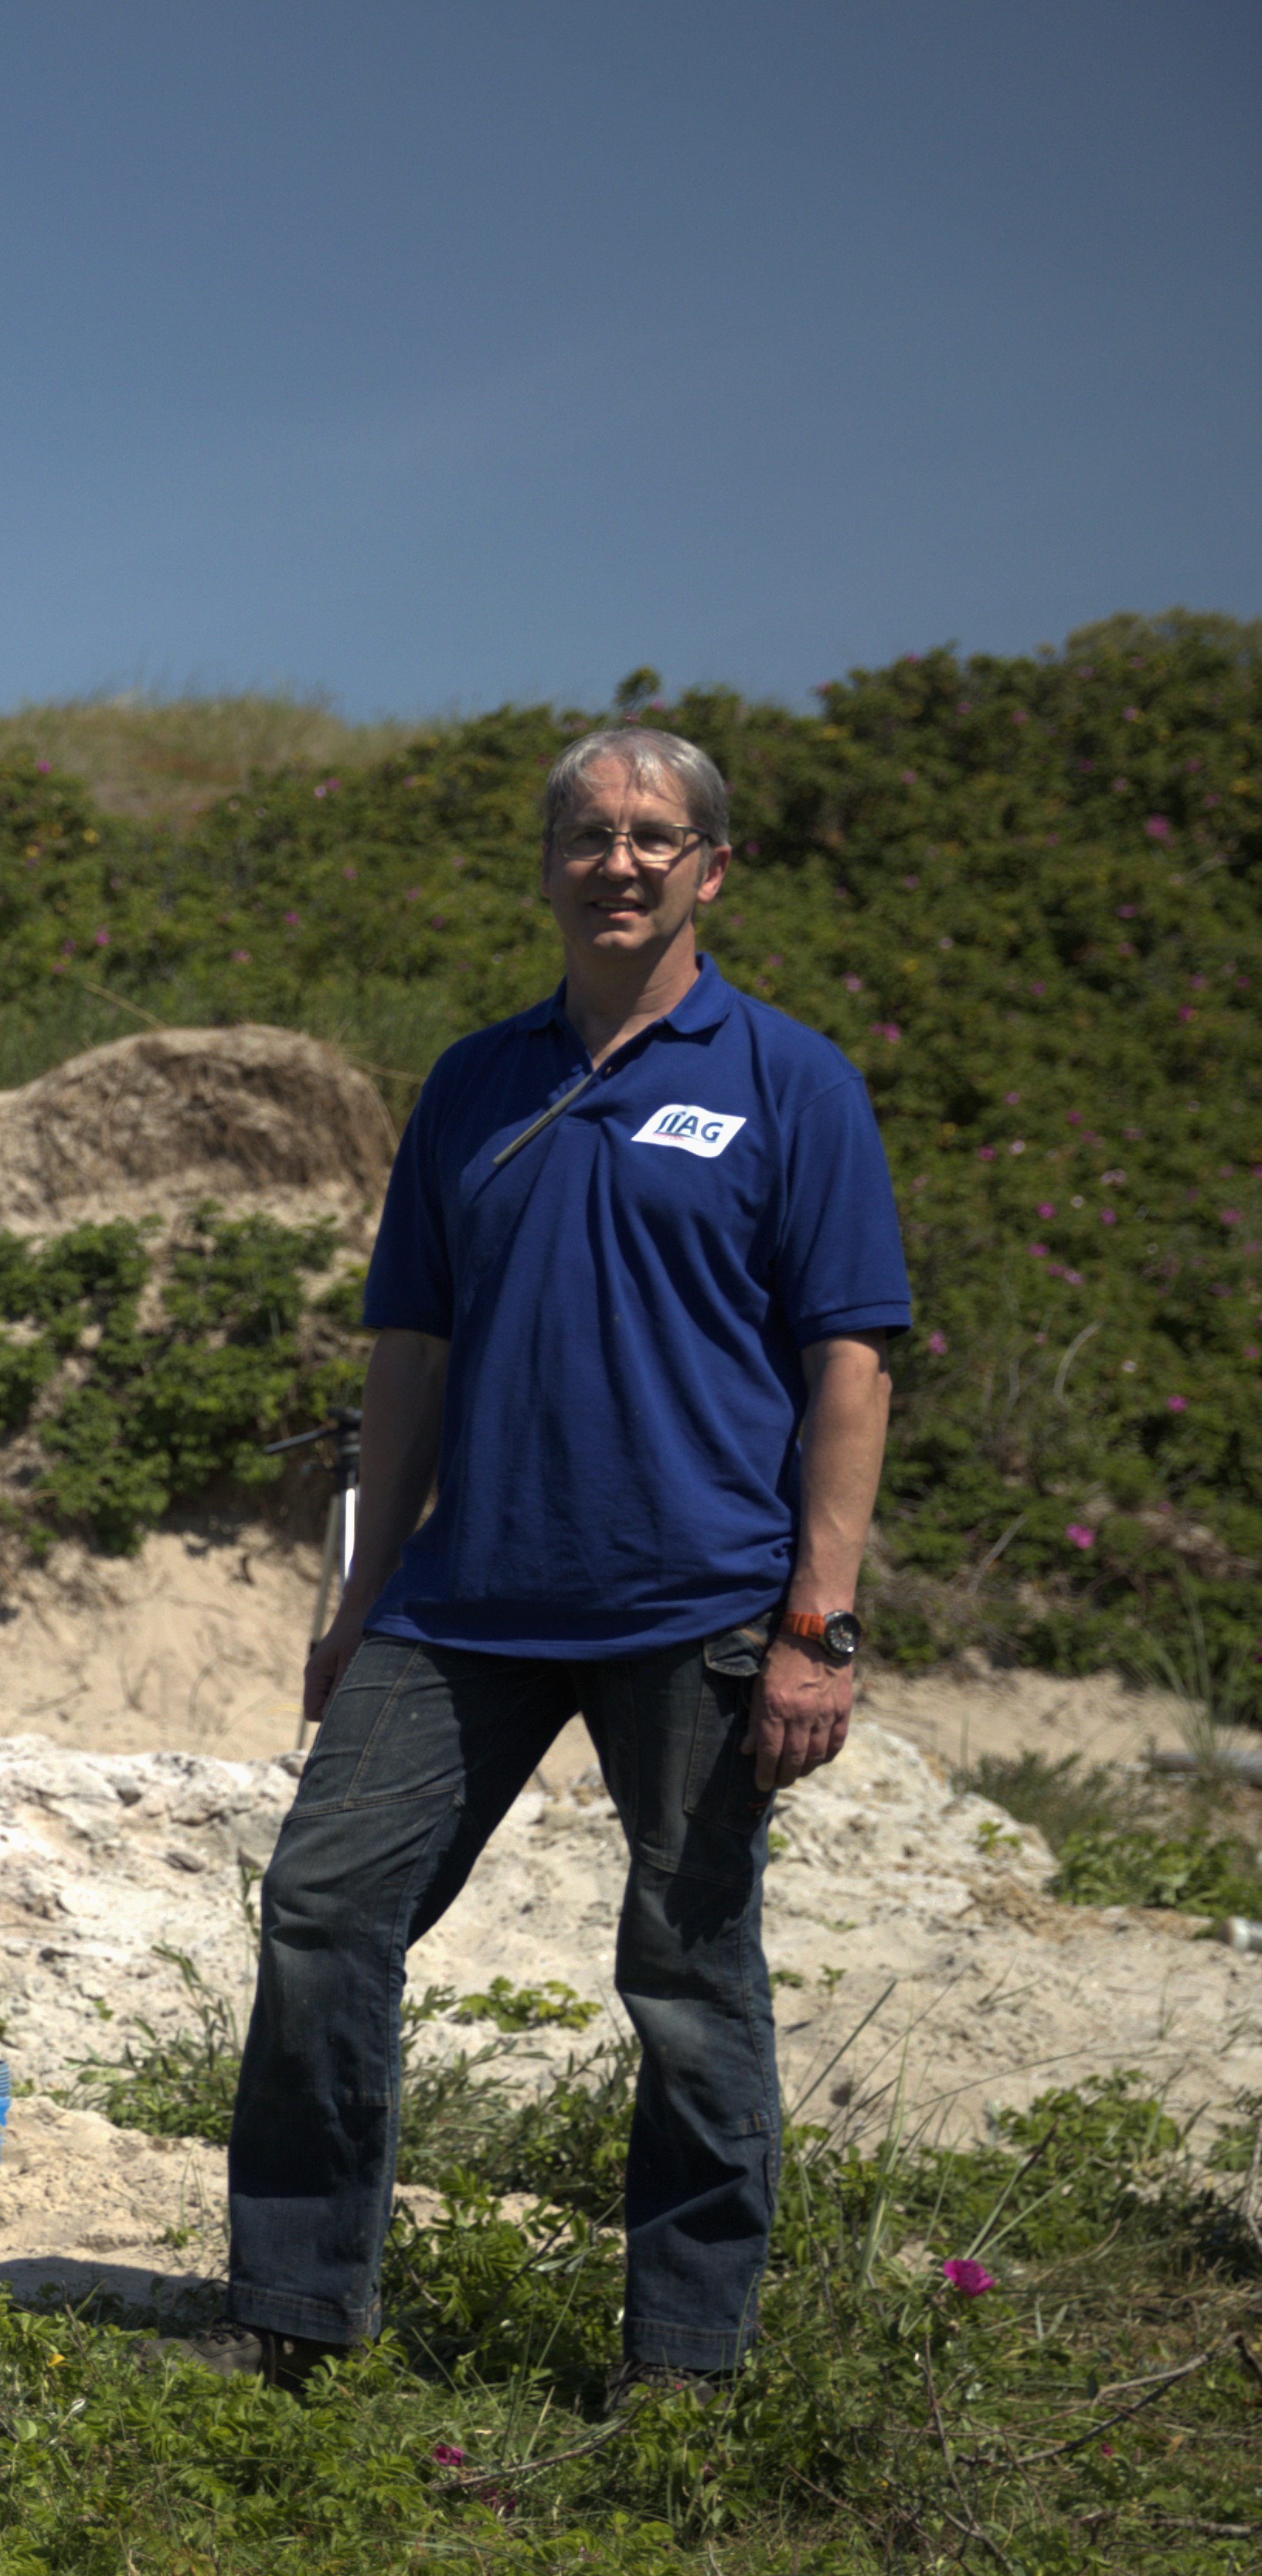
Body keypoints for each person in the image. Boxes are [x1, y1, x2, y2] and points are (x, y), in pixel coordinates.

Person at [202, 723, 904, 2405]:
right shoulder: (473, 1081)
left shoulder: (790, 1079)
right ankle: (291, 2310)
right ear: (548, 867)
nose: (621, 861)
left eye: (657, 835)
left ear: (713, 869)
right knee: (322, 1908)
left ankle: (686, 2360)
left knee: (689, 1970)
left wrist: (819, 1623)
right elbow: (410, 1352)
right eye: (589, 835)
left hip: (702, 1603)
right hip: (465, 1600)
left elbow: (852, 1365)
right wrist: (360, 1595)